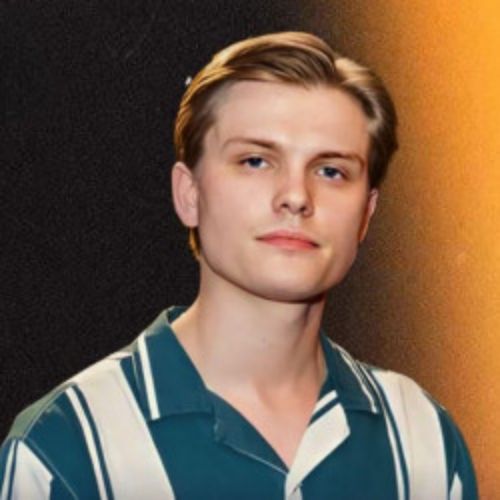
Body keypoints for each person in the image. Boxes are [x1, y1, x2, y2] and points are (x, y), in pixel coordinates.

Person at [0, 32, 477, 500]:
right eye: (255, 161)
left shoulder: (424, 442)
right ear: (189, 194)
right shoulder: (64, 451)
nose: (296, 196)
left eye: (331, 171)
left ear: (366, 214)